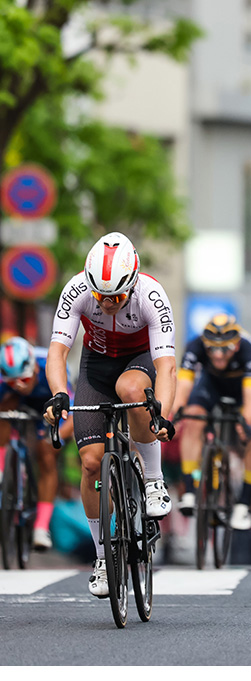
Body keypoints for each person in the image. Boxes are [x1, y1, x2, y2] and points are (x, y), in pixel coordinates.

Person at [42, 232, 176, 598]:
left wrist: (161, 415)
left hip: (139, 362)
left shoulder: (151, 294)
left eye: (116, 296)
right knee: (90, 464)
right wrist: (59, 394)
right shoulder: (76, 290)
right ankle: (103, 558)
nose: (108, 303)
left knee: (130, 389)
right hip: (96, 366)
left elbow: (167, 367)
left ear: (131, 284)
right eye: (101, 296)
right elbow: (58, 352)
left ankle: (153, 480)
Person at [169, 314, 251, 531]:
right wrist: (177, 413)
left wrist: (246, 422)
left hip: (244, 390)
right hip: (211, 386)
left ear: (236, 345)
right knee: (191, 418)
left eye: (225, 349)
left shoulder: (249, 348)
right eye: (211, 349)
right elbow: (184, 384)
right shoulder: (195, 345)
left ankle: (244, 503)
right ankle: (189, 490)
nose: (217, 354)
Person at [0, 337, 74, 550]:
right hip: (17, 402)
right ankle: (4, 467)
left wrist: (53, 437)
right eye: (12, 382)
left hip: (50, 404)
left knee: (47, 453)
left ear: (33, 368)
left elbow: (71, 415)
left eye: (24, 379)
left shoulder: (49, 364)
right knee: (4, 409)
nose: (19, 386)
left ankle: (41, 527)